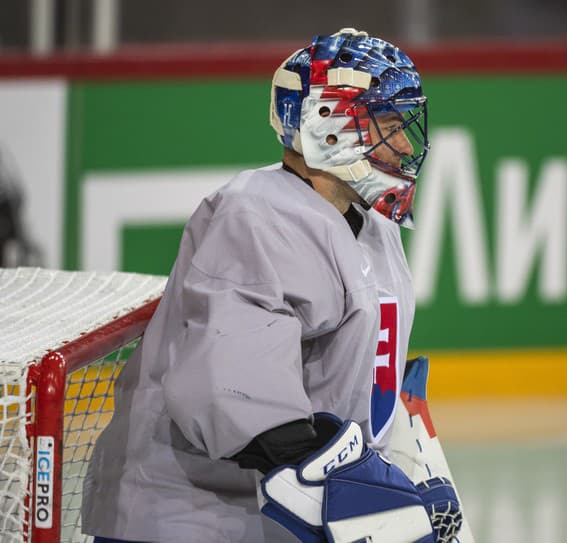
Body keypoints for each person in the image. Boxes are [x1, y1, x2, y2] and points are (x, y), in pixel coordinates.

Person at [82, 28, 459, 543]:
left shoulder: (375, 226)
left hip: (272, 521)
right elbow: (233, 389)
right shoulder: (256, 213)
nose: (403, 145)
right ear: (329, 126)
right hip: (189, 518)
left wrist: (410, 465)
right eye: (386, 125)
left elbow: (369, 377)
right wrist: (360, 496)